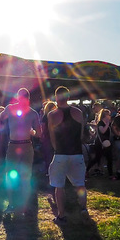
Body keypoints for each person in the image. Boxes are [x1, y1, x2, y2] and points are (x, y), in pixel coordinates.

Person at [46, 87, 87, 223]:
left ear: (56, 98)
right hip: (77, 153)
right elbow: (81, 135)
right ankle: (83, 209)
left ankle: (61, 215)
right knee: (80, 184)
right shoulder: (78, 112)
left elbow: (52, 138)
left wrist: (58, 150)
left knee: (59, 186)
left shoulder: (52, 115)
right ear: (68, 97)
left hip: (61, 154)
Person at [0, 88, 40, 216]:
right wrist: (31, 131)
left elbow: (0, 120)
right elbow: (39, 133)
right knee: (22, 177)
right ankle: (19, 205)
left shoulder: (12, 109)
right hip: (22, 145)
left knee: (14, 176)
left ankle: (15, 205)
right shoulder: (32, 112)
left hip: (18, 145)